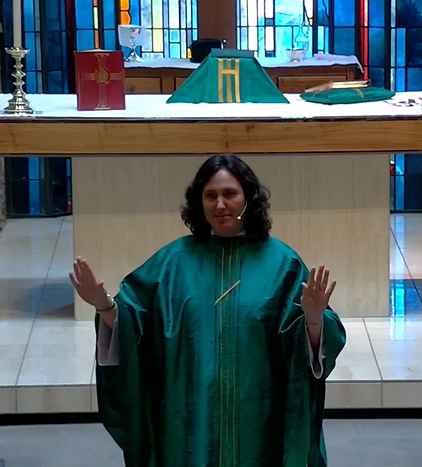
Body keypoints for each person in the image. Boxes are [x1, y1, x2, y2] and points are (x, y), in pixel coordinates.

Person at [70, 154, 346, 467]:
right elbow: (133, 324)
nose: (220, 205)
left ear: (248, 198)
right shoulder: (173, 262)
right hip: (189, 417)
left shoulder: (282, 263)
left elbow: (307, 355)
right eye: (210, 195)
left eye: (230, 194)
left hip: (258, 418)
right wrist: (103, 303)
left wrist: (313, 318)